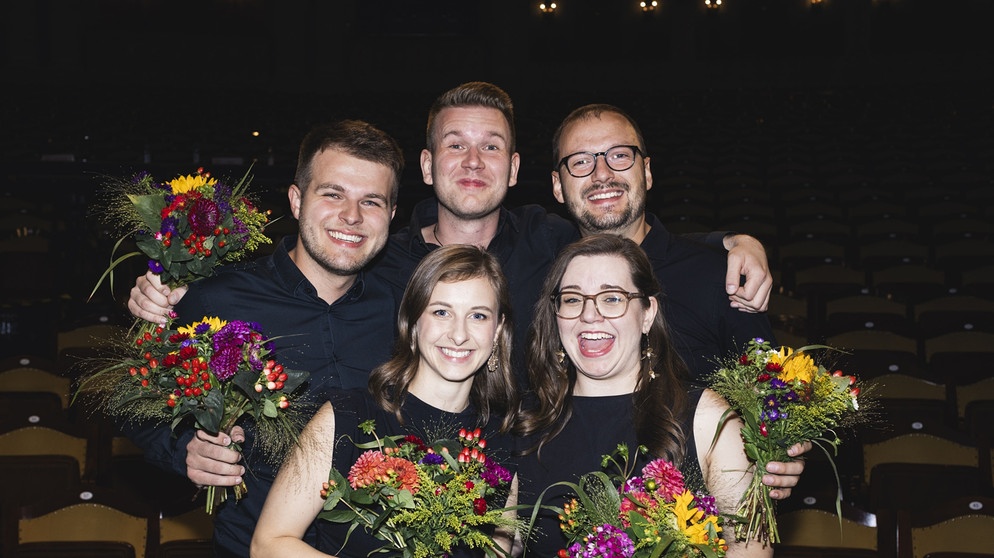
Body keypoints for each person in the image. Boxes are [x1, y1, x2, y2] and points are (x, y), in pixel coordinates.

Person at [123, 119, 405, 558]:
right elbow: (134, 398)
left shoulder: (410, 312)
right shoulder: (216, 297)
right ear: (296, 200)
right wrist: (185, 451)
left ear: (390, 215)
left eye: (371, 201)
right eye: (333, 194)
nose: (351, 216)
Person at [514, 234, 774, 557]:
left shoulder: (710, 420)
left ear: (648, 313)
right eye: (572, 299)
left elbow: (750, 549)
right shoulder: (524, 424)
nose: (590, 315)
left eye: (612, 298)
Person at [251, 245, 519, 557]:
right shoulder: (347, 417)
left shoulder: (500, 445)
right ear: (414, 322)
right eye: (442, 312)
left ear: (498, 330)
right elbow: (269, 544)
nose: (459, 334)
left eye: (478, 315)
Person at [550, 103, 777, 384]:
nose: (602, 174)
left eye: (619, 156)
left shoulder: (719, 278)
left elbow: (774, 406)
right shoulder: (546, 275)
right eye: (581, 161)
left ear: (646, 172)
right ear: (558, 185)